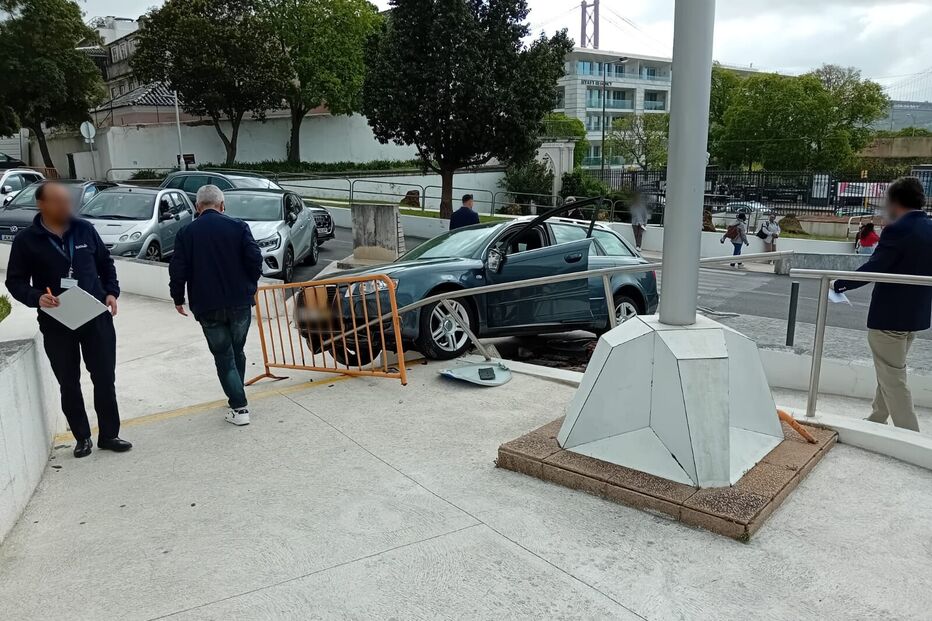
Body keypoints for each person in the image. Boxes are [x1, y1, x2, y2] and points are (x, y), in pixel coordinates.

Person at [4, 181, 131, 458]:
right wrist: (36, 297)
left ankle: (109, 434)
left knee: (104, 378)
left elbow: (105, 263)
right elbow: (14, 281)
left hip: (95, 315)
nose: (65, 206)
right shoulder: (27, 240)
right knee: (69, 382)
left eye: (66, 200)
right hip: (57, 321)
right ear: (42, 205)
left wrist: (111, 292)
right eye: (58, 201)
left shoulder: (83, 228)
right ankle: (82, 437)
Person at [834, 177, 932, 432]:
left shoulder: (897, 229)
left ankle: (910, 433)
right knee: (890, 370)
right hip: (915, 316)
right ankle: (878, 416)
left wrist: (839, 284)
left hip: (890, 318)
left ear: (896, 202)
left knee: (893, 376)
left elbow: (875, 267)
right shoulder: (929, 227)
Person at [169, 185, 262, 426]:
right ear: (222, 205)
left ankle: (239, 406)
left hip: (207, 304)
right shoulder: (239, 227)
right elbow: (254, 259)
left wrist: (178, 298)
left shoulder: (186, 233)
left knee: (223, 355)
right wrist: (251, 285)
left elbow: (178, 270)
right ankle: (236, 394)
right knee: (236, 350)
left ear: (198, 207)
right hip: (240, 301)